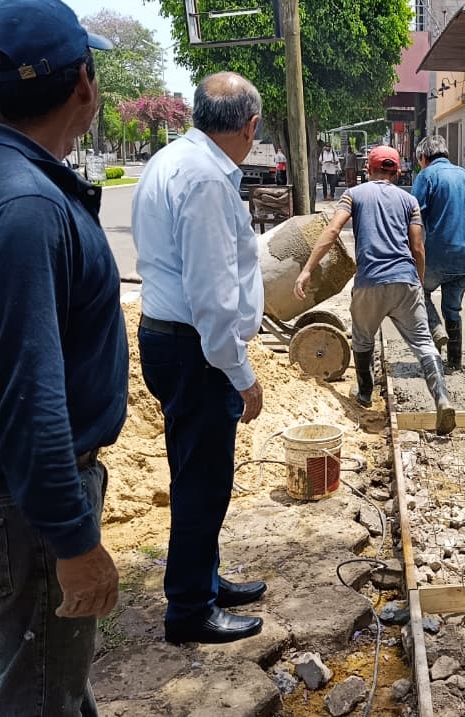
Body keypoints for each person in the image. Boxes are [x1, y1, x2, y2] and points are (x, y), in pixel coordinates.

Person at [0, 1, 123, 713]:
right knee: (41, 697)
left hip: (10, 494)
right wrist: (72, 540)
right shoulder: (23, 207)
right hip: (21, 504)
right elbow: (26, 397)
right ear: (84, 85)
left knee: (54, 684)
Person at [132, 72, 268, 645]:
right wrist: (242, 375)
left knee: (195, 472)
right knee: (203, 483)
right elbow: (213, 298)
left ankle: (204, 581)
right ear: (251, 126)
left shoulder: (173, 158)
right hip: (197, 351)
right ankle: (189, 609)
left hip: (170, 339)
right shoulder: (209, 179)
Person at [293, 146, 456, 435]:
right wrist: (417, 281)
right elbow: (417, 248)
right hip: (405, 280)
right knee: (423, 344)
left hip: (370, 282)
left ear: (368, 170)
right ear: (397, 172)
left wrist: (307, 269)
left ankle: (365, 394)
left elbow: (332, 231)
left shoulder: (354, 195)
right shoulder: (409, 201)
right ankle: (442, 398)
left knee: (363, 339)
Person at [411, 135, 465, 372]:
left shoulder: (426, 176)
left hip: (436, 257)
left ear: (424, 158)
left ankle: (436, 331)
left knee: (417, 294)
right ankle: (455, 362)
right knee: (453, 309)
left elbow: (413, 215)